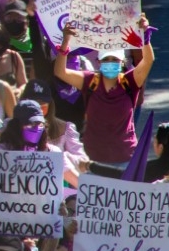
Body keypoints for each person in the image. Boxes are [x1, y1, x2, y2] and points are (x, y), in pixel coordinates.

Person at [54, 19, 155, 165]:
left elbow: (148, 61)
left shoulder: (131, 81)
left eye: (115, 60)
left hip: (126, 158)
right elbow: (60, 72)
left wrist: (145, 37)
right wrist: (65, 42)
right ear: (99, 62)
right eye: (106, 59)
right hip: (93, 160)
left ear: (122, 62)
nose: (110, 62)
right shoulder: (90, 81)